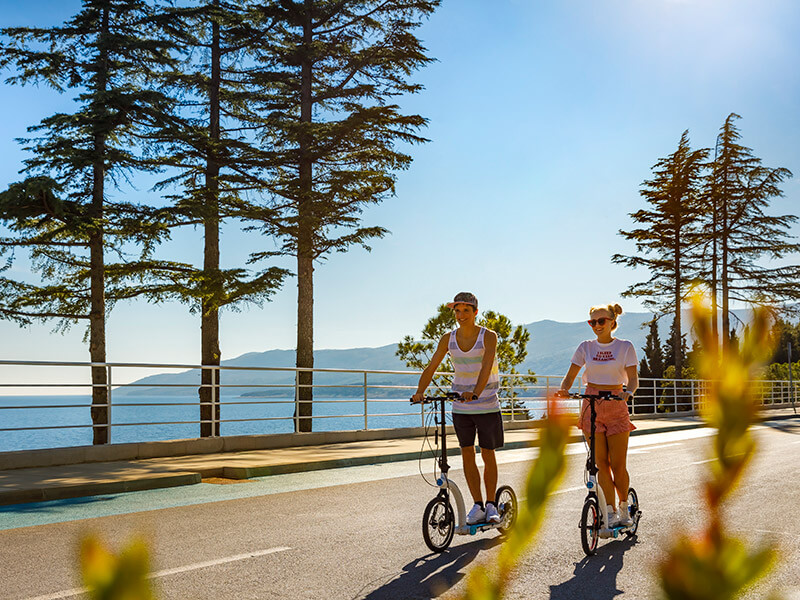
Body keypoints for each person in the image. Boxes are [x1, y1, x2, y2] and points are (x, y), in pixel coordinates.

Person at [411, 292, 504, 525]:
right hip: (461, 407)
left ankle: (492, 504)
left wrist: (476, 391)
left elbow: (486, 366)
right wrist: (419, 391)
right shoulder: (448, 338)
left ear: (475, 312)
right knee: (466, 453)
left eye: (465, 310)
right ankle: (478, 505)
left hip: (486, 404)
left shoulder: (488, 336)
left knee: (487, 453)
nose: (460, 315)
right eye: (457, 311)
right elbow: (432, 366)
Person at [558, 303, 639, 532]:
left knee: (617, 464)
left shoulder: (625, 347)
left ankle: (624, 505)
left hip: (616, 402)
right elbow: (571, 374)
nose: (596, 326)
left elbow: (633, 379)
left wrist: (628, 392)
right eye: (592, 322)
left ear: (613, 322)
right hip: (591, 403)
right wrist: (564, 389)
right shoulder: (586, 347)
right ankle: (610, 511)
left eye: (601, 321)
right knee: (600, 464)